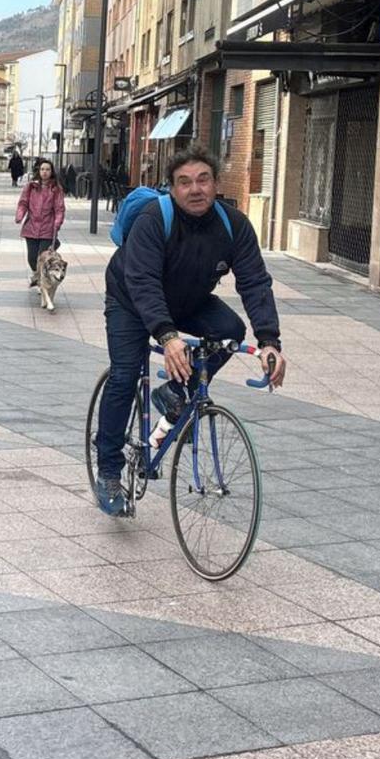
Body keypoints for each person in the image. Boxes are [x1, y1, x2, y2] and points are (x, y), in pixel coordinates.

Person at [91, 145, 287, 518]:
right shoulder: (154, 220)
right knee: (125, 374)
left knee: (229, 329)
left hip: (189, 298)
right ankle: (109, 471)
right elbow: (143, 281)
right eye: (184, 182)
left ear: (216, 184)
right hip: (130, 299)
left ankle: (175, 393)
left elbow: (255, 282)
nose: (195, 189)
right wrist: (167, 336)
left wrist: (269, 341)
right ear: (172, 188)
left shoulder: (233, 225)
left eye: (203, 180)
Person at [15, 158, 66, 288]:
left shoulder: (56, 189)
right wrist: (20, 215)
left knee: (43, 259)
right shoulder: (31, 187)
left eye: (47, 169)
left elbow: (59, 208)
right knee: (32, 259)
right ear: (39, 171)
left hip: (47, 229)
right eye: (42, 169)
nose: (44, 172)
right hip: (31, 228)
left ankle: (42, 283)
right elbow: (23, 202)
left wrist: (57, 222)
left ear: (51, 172)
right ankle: (37, 275)